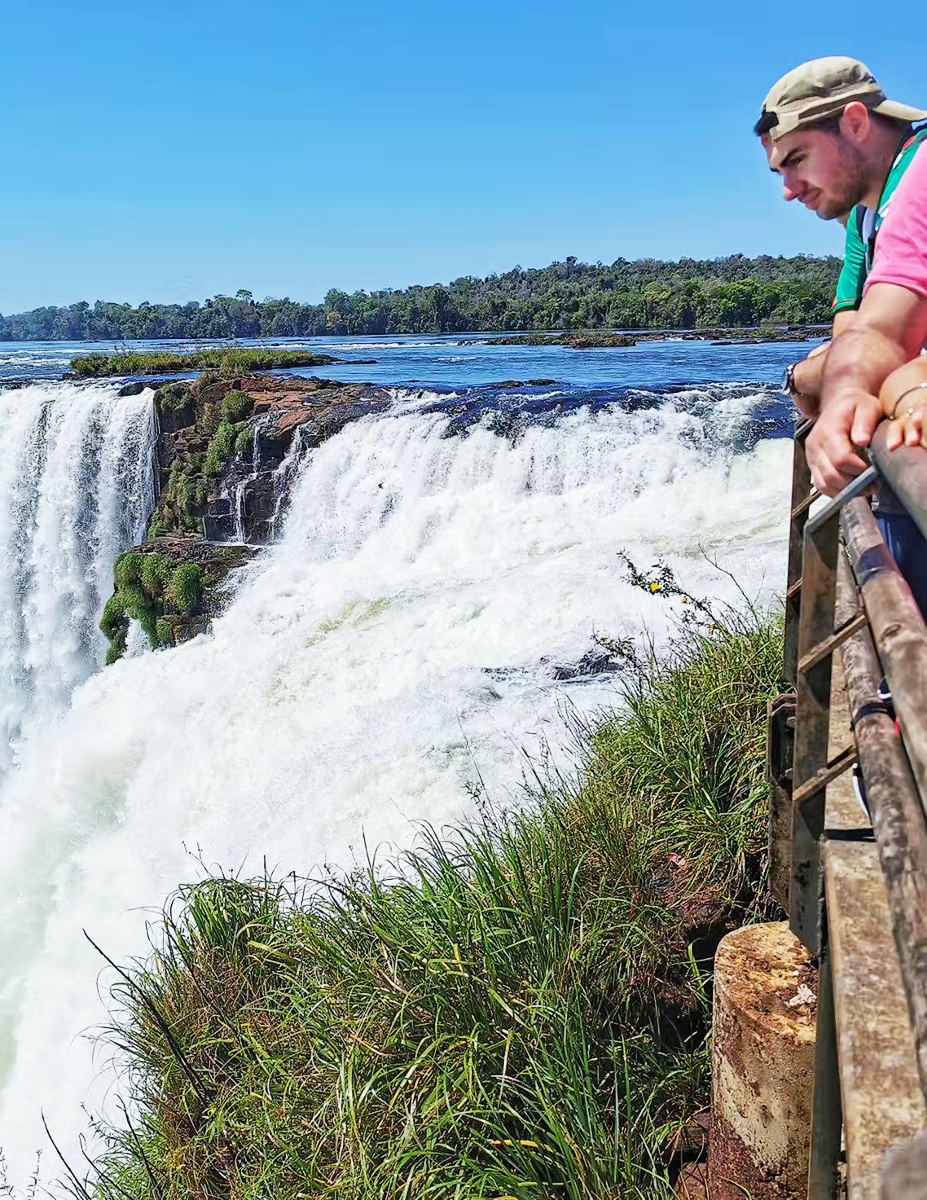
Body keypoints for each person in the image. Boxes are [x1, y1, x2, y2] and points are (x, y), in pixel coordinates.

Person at [756, 57, 927, 418]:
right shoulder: (863, 220)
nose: (788, 191)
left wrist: (799, 375)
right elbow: (851, 347)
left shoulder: (921, 172)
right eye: (779, 173)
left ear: (855, 123)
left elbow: (863, 358)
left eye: (797, 159)